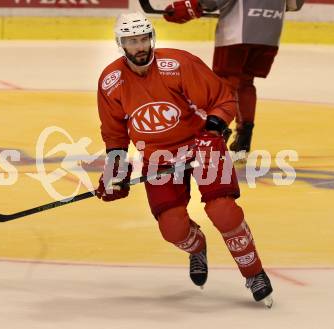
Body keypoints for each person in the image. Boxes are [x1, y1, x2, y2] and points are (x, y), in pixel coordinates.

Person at [94, 12, 273, 307]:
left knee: (223, 210)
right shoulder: (111, 82)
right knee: (173, 228)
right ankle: (197, 249)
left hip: (200, 143)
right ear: (121, 44)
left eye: (142, 39)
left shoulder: (177, 64)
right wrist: (115, 171)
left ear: (151, 39)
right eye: (131, 41)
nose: (139, 47)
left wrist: (213, 130)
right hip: (158, 156)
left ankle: (254, 273)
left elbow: (223, 98)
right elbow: (114, 134)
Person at [163, 0, 304, 153]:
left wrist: (192, 6)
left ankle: (214, 133)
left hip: (237, 33)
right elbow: (295, 5)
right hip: (269, 33)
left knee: (224, 85)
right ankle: (244, 138)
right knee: (246, 82)